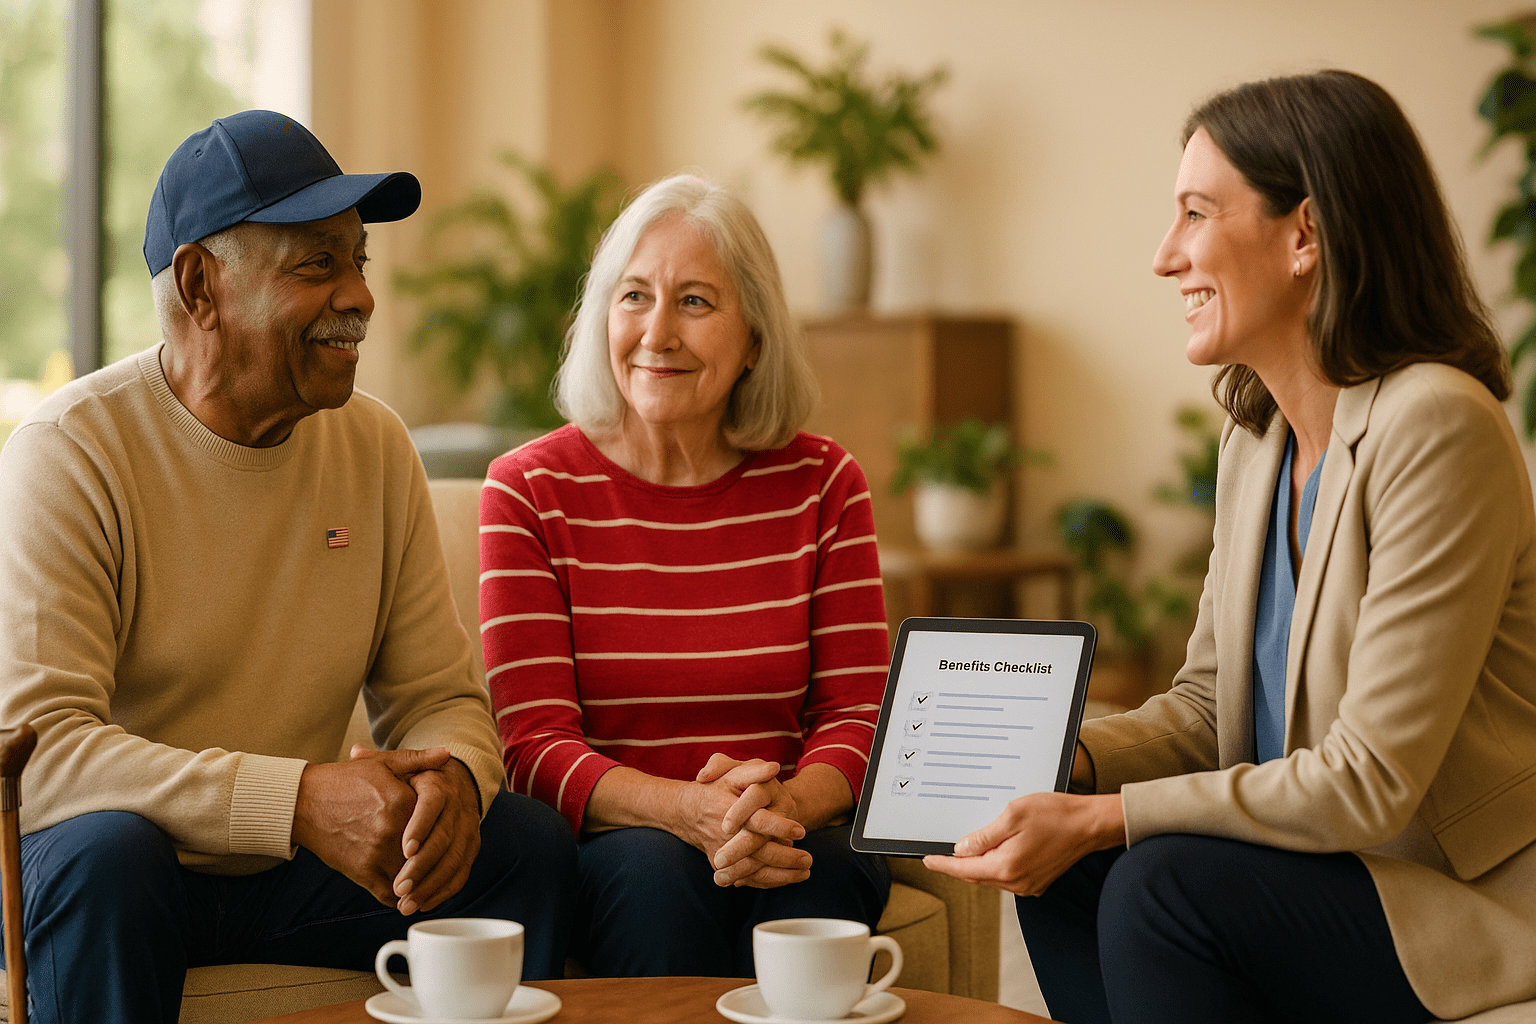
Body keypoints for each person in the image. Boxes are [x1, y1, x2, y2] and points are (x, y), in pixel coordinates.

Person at [923, 70, 1536, 1024]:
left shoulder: (1436, 425)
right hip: (1311, 875)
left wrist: (1107, 815)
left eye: (1196, 213)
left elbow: (1370, 781)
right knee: (1063, 871)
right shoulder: (1258, 443)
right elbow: (1210, 712)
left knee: (1154, 880)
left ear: (1306, 235)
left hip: (1446, 898)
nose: (1166, 256)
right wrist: (1054, 766)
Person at [0, 110, 577, 1024]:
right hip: (118, 875)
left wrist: (455, 784)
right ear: (201, 285)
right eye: (318, 264)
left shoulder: (375, 446)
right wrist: (298, 801)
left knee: (523, 846)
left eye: (359, 261)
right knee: (106, 855)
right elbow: (43, 762)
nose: (360, 297)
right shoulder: (70, 452)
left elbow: (438, 697)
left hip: (289, 881)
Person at [480, 173, 891, 977]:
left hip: (789, 821)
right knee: (656, 876)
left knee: (820, 875)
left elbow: (861, 711)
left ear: (756, 341)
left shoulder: (824, 484)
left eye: (696, 302)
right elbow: (531, 743)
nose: (657, 333)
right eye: (634, 297)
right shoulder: (529, 491)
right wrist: (689, 813)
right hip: (623, 839)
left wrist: (784, 807)